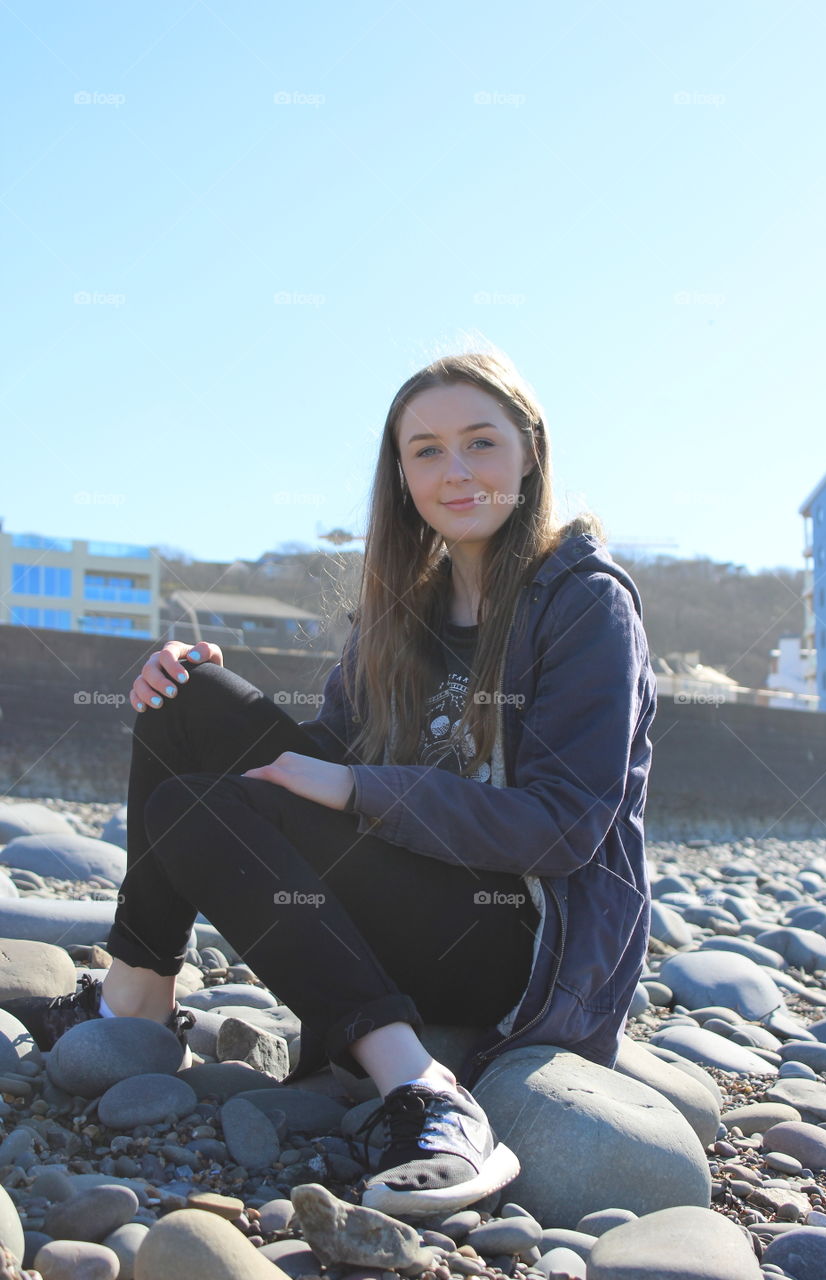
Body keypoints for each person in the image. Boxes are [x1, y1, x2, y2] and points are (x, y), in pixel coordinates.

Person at [3, 350, 656, 1218]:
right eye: (425, 450)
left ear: (530, 451)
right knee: (186, 696)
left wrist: (356, 791)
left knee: (195, 807)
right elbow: (325, 757)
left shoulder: (583, 602)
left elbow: (562, 826)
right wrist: (215, 699)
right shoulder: (403, 606)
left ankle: (422, 1089)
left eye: (480, 443)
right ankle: (135, 1001)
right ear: (400, 472)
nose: (454, 471)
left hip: (514, 936)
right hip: (399, 893)